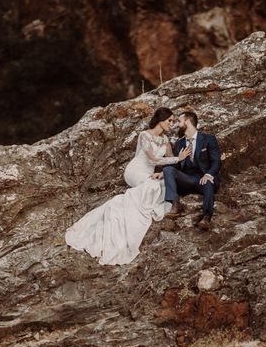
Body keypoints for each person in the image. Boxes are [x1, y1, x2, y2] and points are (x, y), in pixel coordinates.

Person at [65, 107, 191, 265]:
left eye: (173, 121)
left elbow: (171, 161)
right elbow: (153, 160)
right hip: (135, 171)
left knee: (162, 183)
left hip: (149, 174)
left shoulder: (165, 140)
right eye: (169, 121)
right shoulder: (144, 135)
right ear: (161, 120)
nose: (171, 124)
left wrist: (168, 169)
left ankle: (161, 202)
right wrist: (177, 159)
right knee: (152, 186)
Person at [161, 111, 221, 230]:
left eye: (179, 121)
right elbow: (176, 167)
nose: (177, 124)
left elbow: (216, 161)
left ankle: (206, 217)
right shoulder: (179, 144)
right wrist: (163, 173)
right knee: (167, 170)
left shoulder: (208, 139)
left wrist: (209, 174)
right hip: (186, 180)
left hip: (202, 179)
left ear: (187, 122)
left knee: (208, 181)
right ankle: (175, 204)